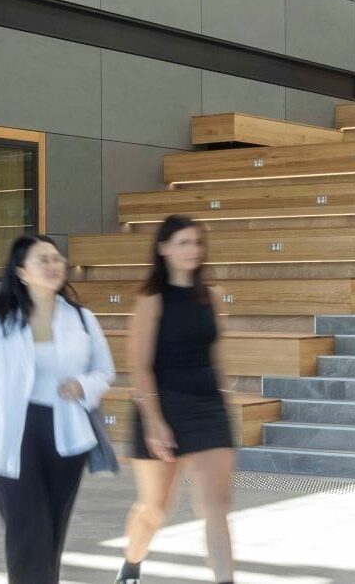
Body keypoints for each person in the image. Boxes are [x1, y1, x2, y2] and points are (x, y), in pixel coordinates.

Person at [0, 234, 115, 584]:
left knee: (50, 534)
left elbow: (105, 371)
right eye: (43, 260)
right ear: (22, 272)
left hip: (66, 438)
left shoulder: (83, 320)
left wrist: (83, 386)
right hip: (13, 438)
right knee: (28, 533)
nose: (54, 265)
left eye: (57, 258)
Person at [117, 215, 234, 584]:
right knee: (155, 507)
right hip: (161, 405)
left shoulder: (210, 296)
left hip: (208, 408)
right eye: (183, 243)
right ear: (163, 248)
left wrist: (224, 402)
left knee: (216, 506)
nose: (193, 250)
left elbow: (214, 356)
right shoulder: (152, 299)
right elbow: (139, 364)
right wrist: (154, 422)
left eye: (197, 243)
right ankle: (131, 565)